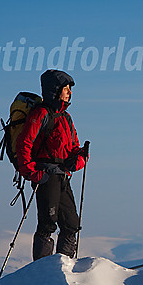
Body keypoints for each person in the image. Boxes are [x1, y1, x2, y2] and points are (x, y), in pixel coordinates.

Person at [15, 69, 88, 260]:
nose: (69, 93)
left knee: (71, 224)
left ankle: (63, 269)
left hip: (63, 176)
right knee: (48, 224)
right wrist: (31, 172)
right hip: (46, 176)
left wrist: (80, 158)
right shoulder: (41, 114)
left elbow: (73, 147)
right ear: (55, 90)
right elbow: (24, 143)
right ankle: (43, 271)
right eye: (66, 89)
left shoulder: (66, 118)